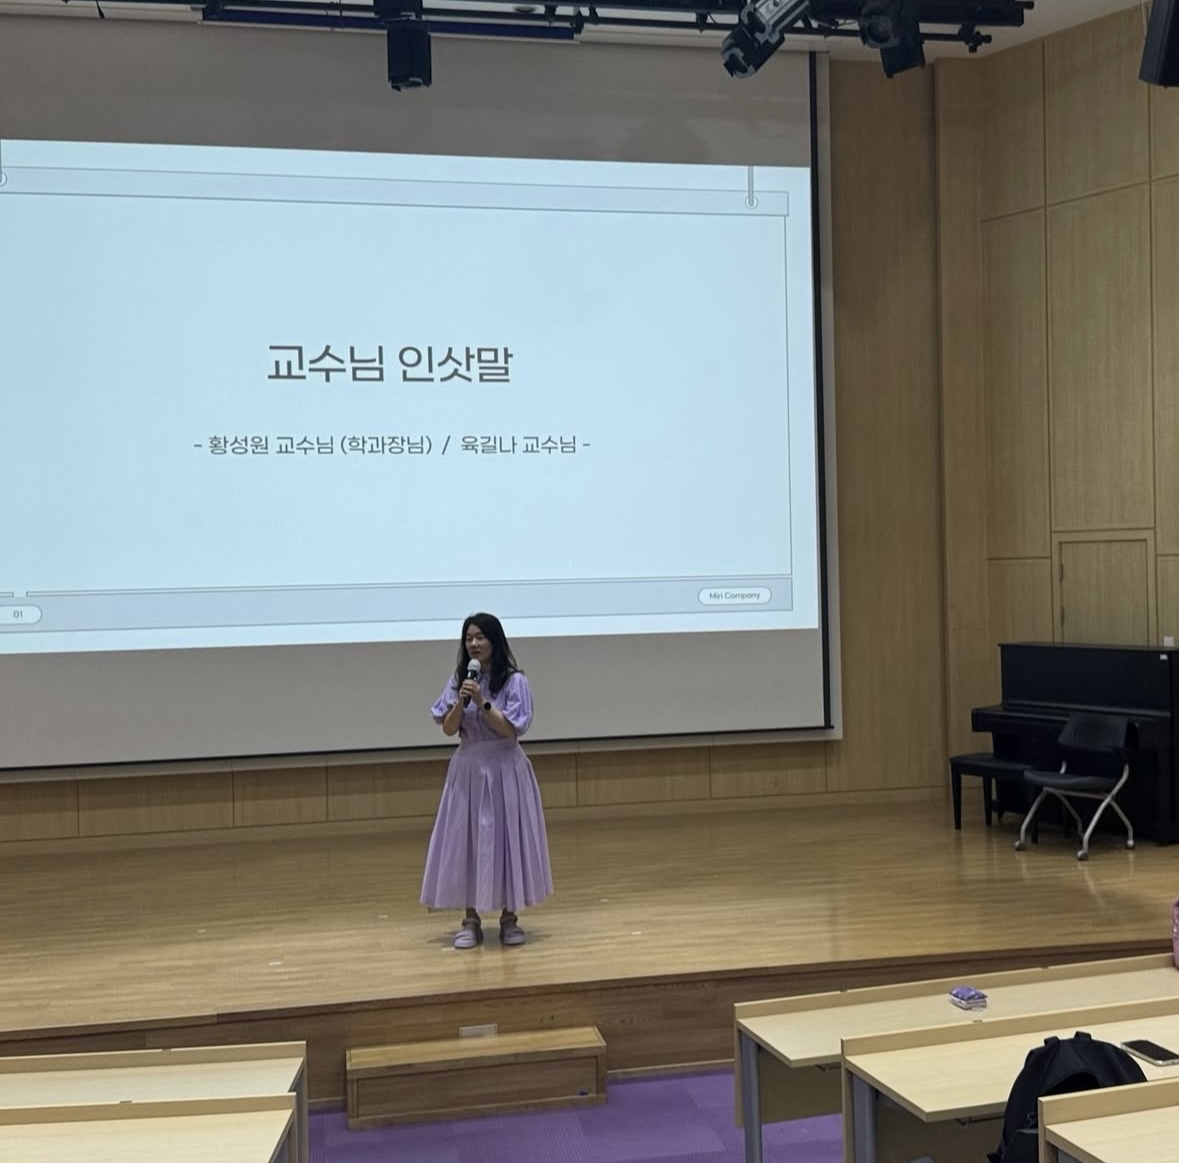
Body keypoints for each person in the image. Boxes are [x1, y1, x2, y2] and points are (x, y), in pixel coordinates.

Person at [421, 613, 553, 949]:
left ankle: (510, 918)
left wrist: (482, 701)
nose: (474, 644)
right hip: (469, 770)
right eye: (469, 638)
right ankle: (470, 920)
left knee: (508, 840)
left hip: (505, 768)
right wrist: (462, 702)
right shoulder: (459, 680)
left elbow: (510, 729)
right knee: (467, 841)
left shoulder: (515, 682)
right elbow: (448, 728)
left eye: (480, 637)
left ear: (495, 640)